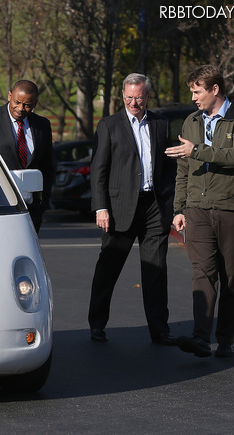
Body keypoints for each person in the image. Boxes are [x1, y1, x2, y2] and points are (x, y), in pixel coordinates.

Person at [165, 65, 234, 358]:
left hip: (232, 208)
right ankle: (201, 338)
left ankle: (225, 340)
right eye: (192, 91)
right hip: (198, 210)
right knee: (201, 274)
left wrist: (197, 151)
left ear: (214, 90)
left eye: (197, 91)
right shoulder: (191, 121)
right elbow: (183, 169)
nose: (193, 97)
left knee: (230, 277)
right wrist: (179, 208)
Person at [88, 73, 177, 345]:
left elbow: (170, 168)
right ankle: (97, 324)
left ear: (147, 96)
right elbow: (98, 170)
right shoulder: (109, 125)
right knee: (108, 269)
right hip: (119, 208)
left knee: (156, 270)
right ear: (122, 96)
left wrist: (173, 205)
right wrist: (100, 206)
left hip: (154, 207)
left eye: (138, 97)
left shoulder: (161, 125)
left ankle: (159, 329)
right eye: (128, 97)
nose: (133, 102)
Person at [0, 80, 53, 232]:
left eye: (27, 105)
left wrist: (42, 203)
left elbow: (47, 167)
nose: (21, 108)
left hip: (31, 210)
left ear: (35, 103)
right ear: (9, 96)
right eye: (17, 102)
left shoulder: (42, 125)